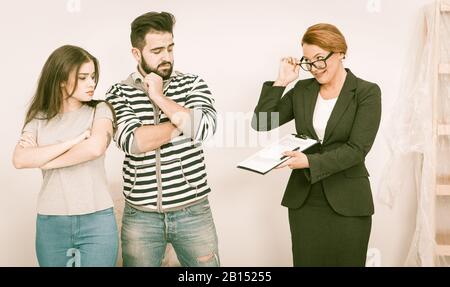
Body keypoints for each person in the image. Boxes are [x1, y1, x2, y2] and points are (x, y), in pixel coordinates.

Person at [252, 23, 381, 267]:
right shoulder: (303, 90)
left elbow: (358, 149)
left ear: (341, 51)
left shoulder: (366, 92)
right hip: (305, 200)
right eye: (308, 61)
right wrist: (281, 81)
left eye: (320, 59)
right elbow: (261, 123)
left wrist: (309, 161)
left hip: (349, 203)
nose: (314, 68)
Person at [105, 12, 219, 267]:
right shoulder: (118, 92)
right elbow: (135, 142)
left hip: (194, 211)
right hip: (140, 217)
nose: (166, 57)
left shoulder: (192, 84)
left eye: (170, 48)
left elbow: (204, 128)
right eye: (157, 50)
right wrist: (181, 121)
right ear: (137, 53)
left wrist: (157, 97)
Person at [12, 45, 118, 267]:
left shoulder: (100, 110)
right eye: (83, 77)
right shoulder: (38, 119)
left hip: (97, 220)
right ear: (61, 80)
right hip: (52, 222)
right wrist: (74, 141)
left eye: (93, 77)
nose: (92, 83)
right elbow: (20, 159)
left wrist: (43, 159)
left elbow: (94, 148)